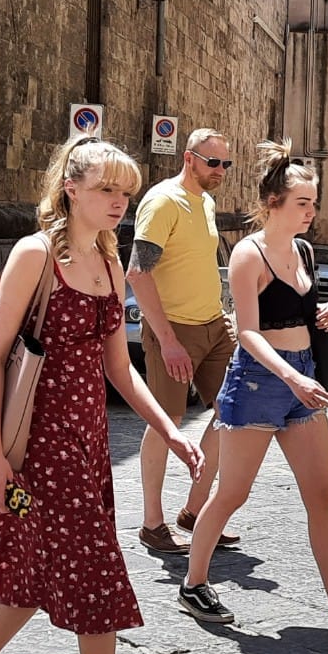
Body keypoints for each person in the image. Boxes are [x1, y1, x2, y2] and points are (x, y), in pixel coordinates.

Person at [0, 137, 203, 654]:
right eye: (107, 189)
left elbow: (120, 367)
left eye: (125, 192)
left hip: (85, 449)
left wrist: (168, 428)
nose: (119, 202)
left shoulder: (111, 265)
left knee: (32, 572)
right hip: (33, 451)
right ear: (72, 189)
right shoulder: (36, 255)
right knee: (98, 573)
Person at [178, 140, 328, 642]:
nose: (311, 213)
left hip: (303, 376)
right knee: (232, 493)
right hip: (257, 382)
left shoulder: (305, 251)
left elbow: (304, 312)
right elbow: (248, 332)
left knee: (323, 497)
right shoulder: (249, 255)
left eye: (314, 203)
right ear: (273, 202)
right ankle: (193, 583)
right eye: (302, 203)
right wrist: (290, 376)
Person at [127, 128, 238, 556]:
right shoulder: (162, 202)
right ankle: (152, 524)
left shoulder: (206, 203)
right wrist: (169, 341)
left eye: (226, 164)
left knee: (235, 413)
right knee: (165, 422)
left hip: (214, 325)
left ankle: (195, 512)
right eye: (214, 163)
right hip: (173, 329)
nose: (221, 171)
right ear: (189, 159)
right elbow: (137, 274)